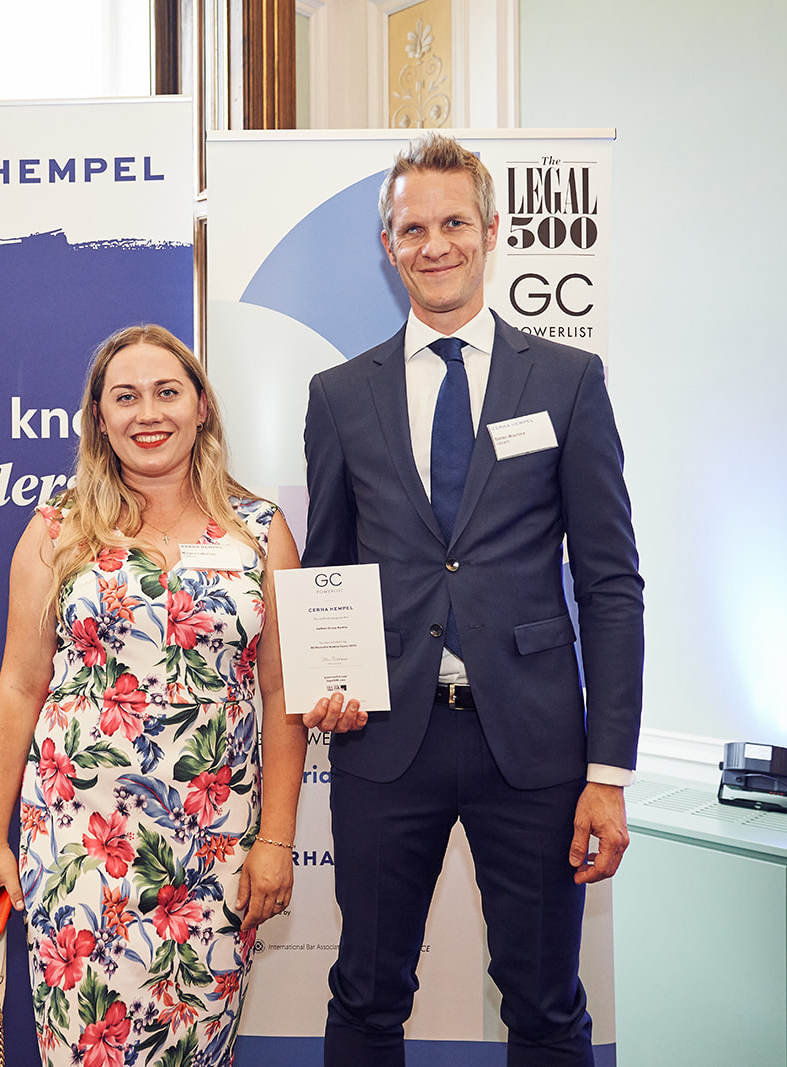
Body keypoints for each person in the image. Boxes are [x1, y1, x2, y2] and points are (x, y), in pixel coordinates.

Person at [300, 132, 644, 1066]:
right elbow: (329, 569)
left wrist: (608, 771)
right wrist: (329, 681)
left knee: (545, 1005)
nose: (435, 244)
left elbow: (610, 583)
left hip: (534, 745)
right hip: (385, 742)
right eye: (413, 228)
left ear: (492, 232)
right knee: (366, 997)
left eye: (454, 222)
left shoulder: (568, 381)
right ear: (388, 245)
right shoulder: (339, 395)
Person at [0, 324, 307, 1067]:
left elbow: (284, 691)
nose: (148, 413)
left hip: (214, 855)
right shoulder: (56, 531)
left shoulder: (259, 532)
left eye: (167, 392)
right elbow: (19, 688)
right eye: (125, 397)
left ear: (201, 408)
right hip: (78, 849)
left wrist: (277, 840)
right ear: (99, 417)